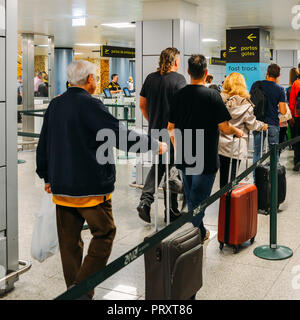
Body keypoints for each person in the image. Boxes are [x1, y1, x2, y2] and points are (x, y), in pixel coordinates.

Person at [36, 60, 167, 300]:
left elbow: (44, 143)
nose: (96, 81)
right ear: (89, 81)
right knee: (105, 233)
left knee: (70, 244)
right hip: (91, 188)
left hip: (62, 187)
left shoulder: (55, 105)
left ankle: (73, 292)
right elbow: (120, 136)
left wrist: (46, 175)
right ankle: (81, 293)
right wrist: (153, 145)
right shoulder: (91, 105)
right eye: (95, 77)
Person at [168, 55, 243, 243]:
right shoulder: (212, 95)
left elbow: (171, 127)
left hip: (185, 153)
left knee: (193, 197)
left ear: (188, 72)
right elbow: (224, 127)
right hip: (206, 156)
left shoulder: (179, 95)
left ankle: (198, 233)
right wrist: (236, 131)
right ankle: (189, 239)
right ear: (206, 72)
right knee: (198, 200)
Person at [137, 47, 187, 224]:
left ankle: (146, 200)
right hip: (173, 132)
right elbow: (183, 108)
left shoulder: (150, 78)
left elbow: (142, 104)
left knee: (160, 166)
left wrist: (152, 120)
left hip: (154, 132)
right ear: (175, 61)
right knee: (172, 170)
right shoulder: (179, 80)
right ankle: (171, 210)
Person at [219, 72, 267, 188]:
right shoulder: (246, 104)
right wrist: (262, 126)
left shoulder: (220, 100)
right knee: (232, 177)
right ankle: (230, 202)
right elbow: (252, 124)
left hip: (220, 144)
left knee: (223, 176)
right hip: (237, 144)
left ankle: (224, 200)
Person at [250, 63, 287, 173]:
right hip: (273, 123)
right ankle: (274, 181)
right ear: (278, 75)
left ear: (267, 73)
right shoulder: (279, 89)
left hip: (258, 122)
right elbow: (283, 111)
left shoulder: (256, 85)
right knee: (274, 152)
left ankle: (256, 180)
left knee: (257, 152)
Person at [289, 72, 300, 171]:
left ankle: (297, 161)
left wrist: (291, 116)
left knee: (297, 139)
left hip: (298, 115)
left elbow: (292, 101)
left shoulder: (296, 83)